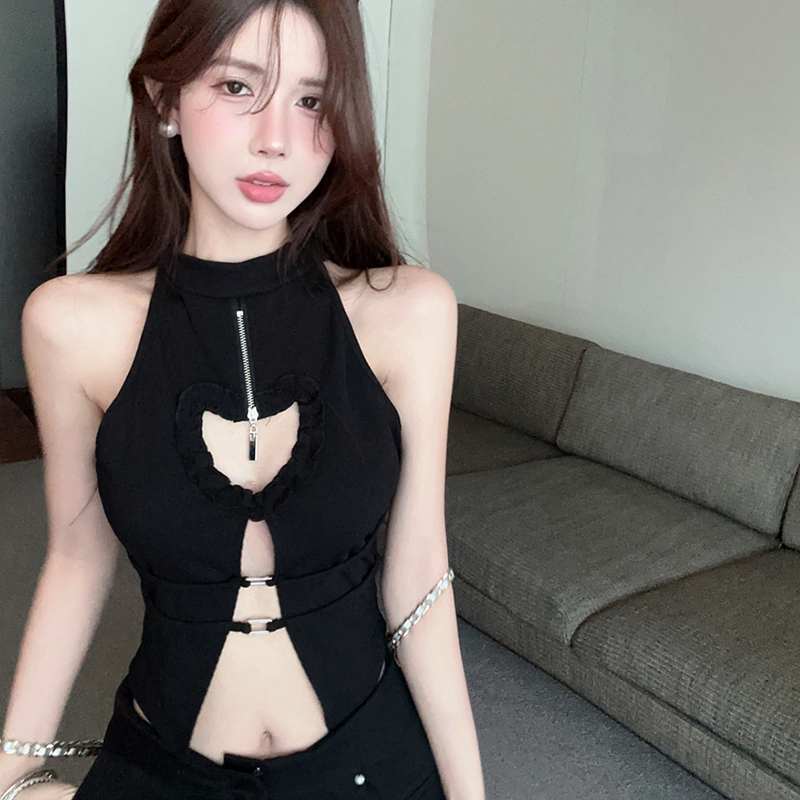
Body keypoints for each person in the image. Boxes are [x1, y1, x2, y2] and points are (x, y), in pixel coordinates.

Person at [0, 1, 485, 798]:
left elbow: (421, 576)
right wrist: (15, 770)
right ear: (164, 99)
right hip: (162, 765)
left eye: (311, 99)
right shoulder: (71, 326)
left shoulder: (410, 313)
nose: (277, 139)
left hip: (370, 765)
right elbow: (77, 553)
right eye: (236, 87)